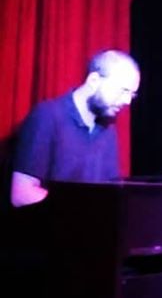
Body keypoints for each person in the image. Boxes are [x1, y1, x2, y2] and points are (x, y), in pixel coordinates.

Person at [10, 49, 140, 207]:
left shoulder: (108, 129)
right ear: (93, 80)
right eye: (123, 90)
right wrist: (80, 211)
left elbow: (108, 193)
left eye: (132, 95)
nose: (127, 101)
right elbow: (21, 194)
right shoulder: (47, 116)